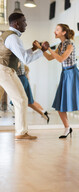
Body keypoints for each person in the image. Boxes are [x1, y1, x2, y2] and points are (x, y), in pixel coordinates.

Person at [0, 12, 47, 140]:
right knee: (21, 100)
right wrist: (42, 52)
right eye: (24, 21)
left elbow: (19, 54)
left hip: (3, 69)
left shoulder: (7, 35)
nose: (26, 24)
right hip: (5, 71)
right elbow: (25, 59)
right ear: (16, 24)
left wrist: (33, 49)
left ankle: (21, 132)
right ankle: (21, 133)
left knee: (21, 99)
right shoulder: (14, 38)